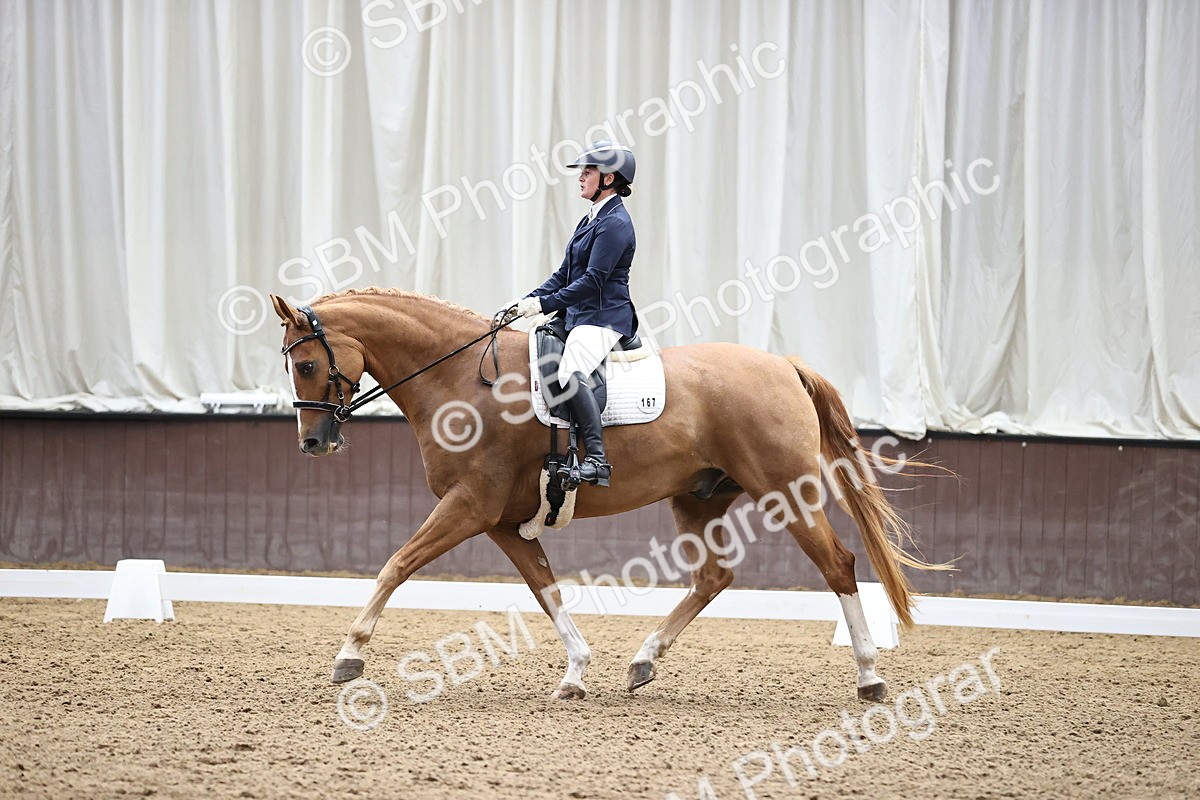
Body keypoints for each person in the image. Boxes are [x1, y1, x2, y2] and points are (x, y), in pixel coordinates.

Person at [500, 140, 638, 487]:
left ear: (608, 179)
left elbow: (593, 281)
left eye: (588, 171)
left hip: (604, 317)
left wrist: (545, 305)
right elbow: (564, 275)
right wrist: (525, 302)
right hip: (579, 314)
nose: (581, 177)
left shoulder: (615, 223)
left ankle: (596, 460)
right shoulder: (590, 219)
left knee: (570, 371)